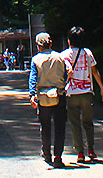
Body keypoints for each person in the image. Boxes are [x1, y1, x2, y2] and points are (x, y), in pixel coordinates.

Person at [61, 26, 103, 163]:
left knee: (75, 123)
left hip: (71, 93)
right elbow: (94, 71)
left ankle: (80, 153)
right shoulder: (88, 53)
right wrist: (102, 88)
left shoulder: (63, 55)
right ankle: (91, 149)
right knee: (88, 122)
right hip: (87, 93)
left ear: (69, 41)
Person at [29, 32, 70, 168]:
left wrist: (32, 95)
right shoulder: (60, 57)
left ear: (38, 46)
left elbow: (33, 78)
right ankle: (58, 157)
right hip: (59, 95)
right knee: (60, 127)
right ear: (50, 43)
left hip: (43, 96)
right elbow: (65, 75)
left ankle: (47, 154)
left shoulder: (36, 59)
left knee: (45, 126)